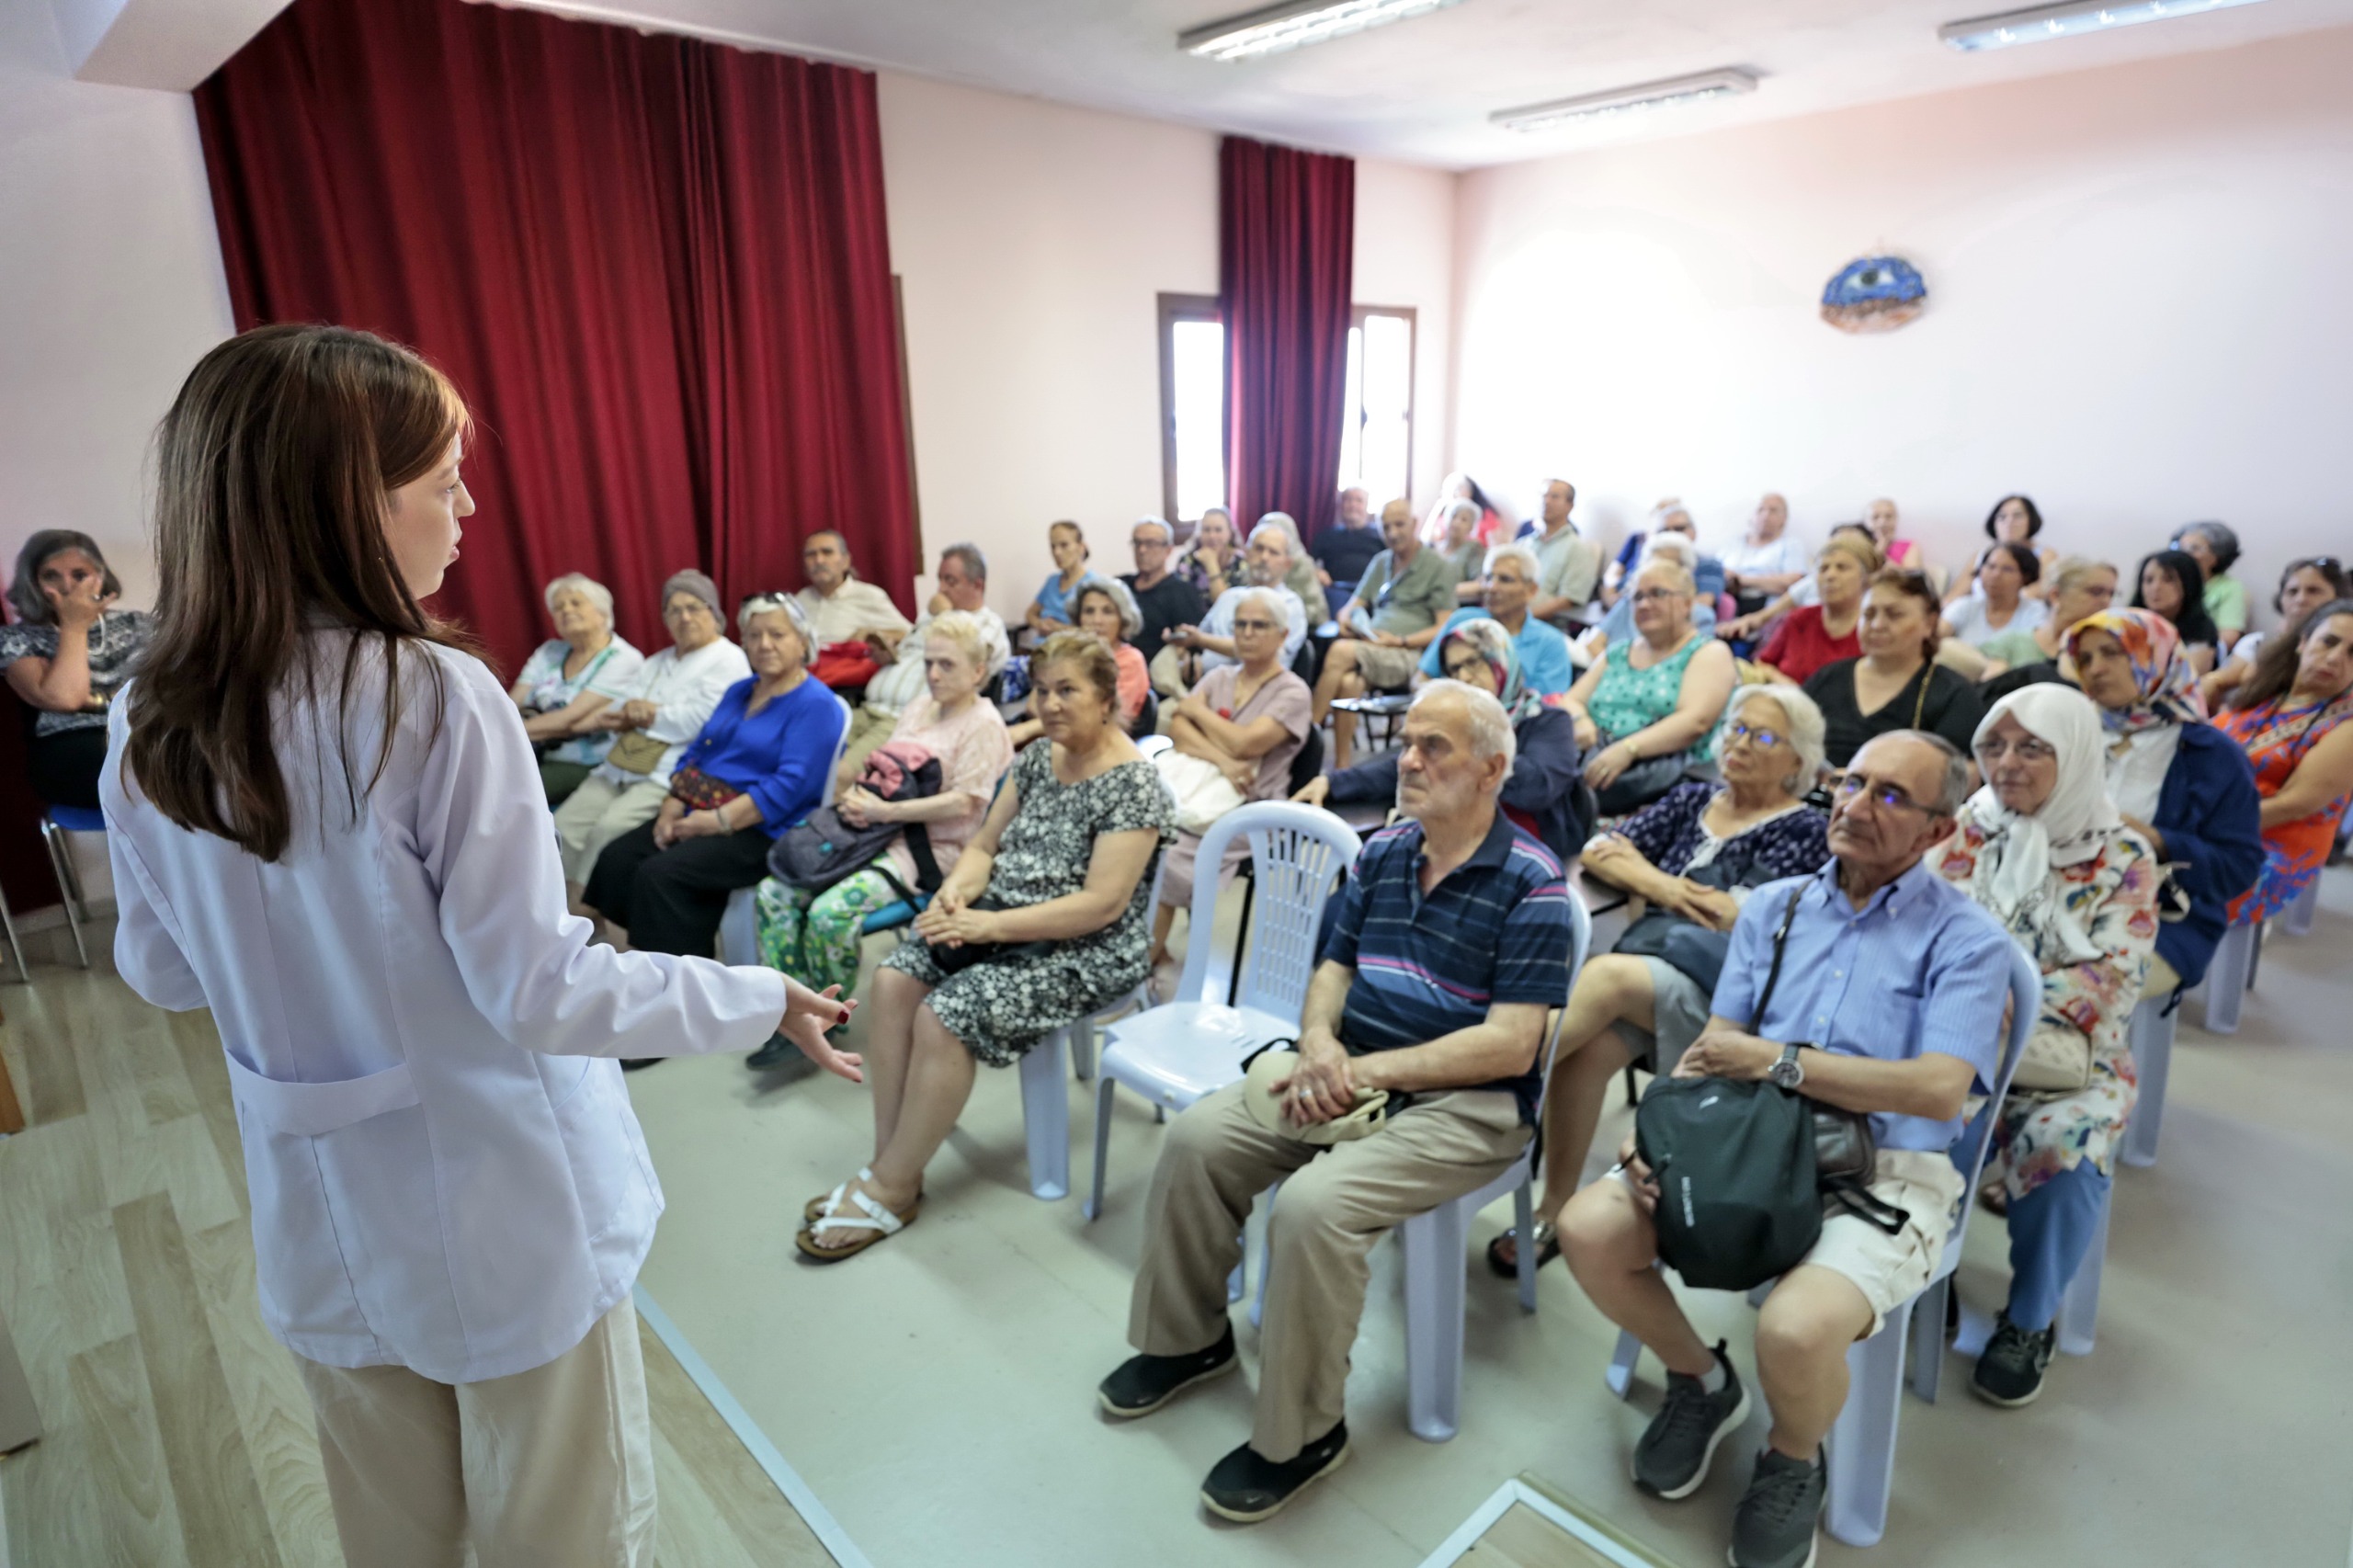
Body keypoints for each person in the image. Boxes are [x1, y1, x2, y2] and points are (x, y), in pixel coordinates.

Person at [103, 324, 857, 1568]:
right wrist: (750, 994)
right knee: (560, 1531)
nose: (467, 511)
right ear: (346, 499)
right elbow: (536, 987)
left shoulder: (148, 710)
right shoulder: (429, 695)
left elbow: (163, 969)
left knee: (394, 1531)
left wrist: (288, 954)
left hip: (315, 1201)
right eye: (443, 482)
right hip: (499, 1198)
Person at [1104, 682, 1574, 1524]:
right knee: (1199, 1140)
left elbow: (1511, 1046)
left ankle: (1305, 1434)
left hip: (1469, 1106)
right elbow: (1334, 968)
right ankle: (1189, 1341)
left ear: (1492, 770)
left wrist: (1364, 1071)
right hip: (1349, 1067)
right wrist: (1320, 1041)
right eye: (1408, 743)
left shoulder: (1530, 883)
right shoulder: (1386, 851)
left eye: (1434, 748)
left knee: (1314, 1209)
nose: (1409, 761)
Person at [1559, 730, 2012, 1568]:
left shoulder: (1967, 941)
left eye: (1890, 796)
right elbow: (1715, 1049)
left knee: (1796, 1331)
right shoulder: (1777, 907)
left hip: (1886, 1169)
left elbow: (1938, 1091)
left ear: (1939, 830)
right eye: (1851, 783)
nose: (1855, 806)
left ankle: (1792, 1456)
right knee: (1589, 1229)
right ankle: (1701, 1380)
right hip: (1749, 1138)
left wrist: (1782, 1062)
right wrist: (1656, 1133)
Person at [801, 631, 1175, 1261]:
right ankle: (890, 1160)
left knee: (945, 1015)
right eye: (1042, 690)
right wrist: (958, 893)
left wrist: (986, 927)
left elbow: (1101, 905)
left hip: (1086, 949)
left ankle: (892, 1187)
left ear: (1108, 699)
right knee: (894, 981)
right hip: (1001, 915)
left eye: (1068, 691)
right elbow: (982, 846)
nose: (1050, 705)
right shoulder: (1039, 758)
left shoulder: (1134, 785)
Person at [1488, 687, 1831, 1275]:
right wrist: (1667, 887)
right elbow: (1601, 848)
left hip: (1732, 1002)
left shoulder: (1805, 830)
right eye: (1735, 727)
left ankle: (1477, 1070)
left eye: (1762, 736)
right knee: (1588, 1049)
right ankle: (1554, 1207)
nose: (1739, 742)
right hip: (1653, 974)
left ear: (1797, 760)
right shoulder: (1694, 799)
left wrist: (1649, 877)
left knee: (1608, 977)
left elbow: (1738, 918)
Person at [1932, 687, 2158, 1405]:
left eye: (2032, 748)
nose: (2006, 764)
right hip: (1959, 1041)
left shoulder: (2121, 854)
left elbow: (2110, 984)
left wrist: (2002, 995)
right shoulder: (1964, 829)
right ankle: (1924, 1270)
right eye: (1993, 746)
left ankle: (2029, 1320)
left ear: (2077, 754)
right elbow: (1918, 934)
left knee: (2065, 1144)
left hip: (2069, 1057)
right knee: (1925, 1120)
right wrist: (1974, 1001)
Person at [582, 596, 847, 1055]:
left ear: (803, 641)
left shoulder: (816, 705)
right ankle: (639, 989)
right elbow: (695, 753)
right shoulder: (740, 690)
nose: (764, 644)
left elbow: (788, 787)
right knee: (617, 858)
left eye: (778, 634)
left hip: (763, 830)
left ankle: (679, 1014)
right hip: (698, 809)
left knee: (661, 876)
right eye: (755, 635)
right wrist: (672, 805)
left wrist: (715, 822)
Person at [754, 612, 1012, 1045]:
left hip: (931, 851)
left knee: (829, 914)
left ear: (978, 672)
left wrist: (885, 813)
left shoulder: (984, 724)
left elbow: (965, 802)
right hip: (874, 834)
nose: (933, 674)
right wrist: (860, 800)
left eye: (947, 665)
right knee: (773, 894)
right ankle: (792, 1008)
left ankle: (825, 1015)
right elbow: (885, 768)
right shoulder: (919, 707)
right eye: (928, 663)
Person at [2070, 610, 2264, 998]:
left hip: (2163, 915)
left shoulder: (2213, 755)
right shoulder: (2071, 730)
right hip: (2052, 894)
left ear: (2157, 658)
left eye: (2112, 653)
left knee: (2063, 997)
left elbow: (2239, 868)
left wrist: (2158, 841)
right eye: (2085, 659)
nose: (2096, 669)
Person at [1300, 616, 1588, 860]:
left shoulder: (1547, 720)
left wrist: (1468, 746)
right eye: (1454, 669)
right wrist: (1333, 782)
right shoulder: (1455, 722)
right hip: (1452, 835)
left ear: (1500, 660)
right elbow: (1405, 764)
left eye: (1474, 663)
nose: (1464, 677)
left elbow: (1537, 788)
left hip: (1524, 846)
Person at [551, 571, 751, 901]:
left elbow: (702, 721)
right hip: (619, 765)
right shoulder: (658, 661)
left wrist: (649, 713)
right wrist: (636, 712)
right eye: (674, 610)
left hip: (665, 774)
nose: (684, 617)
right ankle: (558, 905)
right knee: (564, 825)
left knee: (607, 830)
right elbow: (622, 706)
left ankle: (586, 910)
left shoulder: (729, 659)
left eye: (693, 607)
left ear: (713, 612)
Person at [1150, 589, 1313, 963]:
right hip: (1199, 791)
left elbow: (1246, 744)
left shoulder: (1293, 692)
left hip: (1252, 809)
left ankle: (1146, 961)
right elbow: (1178, 729)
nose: (1247, 633)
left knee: (1167, 855)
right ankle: (1150, 953)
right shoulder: (1220, 676)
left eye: (1259, 625)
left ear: (1282, 635)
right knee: (1137, 838)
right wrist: (1221, 759)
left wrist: (1198, 712)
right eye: (1240, 625)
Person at [1562, 559, 1736, 814]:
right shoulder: (1618, 652)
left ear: (1688, 603)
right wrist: (1581, 722)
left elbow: (1695, 721)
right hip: (1593, 762)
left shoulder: (1709, 653)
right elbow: (1571, 700)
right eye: (1637, 597)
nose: (1644, 604)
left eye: (1658, 594)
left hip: (1658, 787)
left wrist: (1628, 749)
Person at [2219, 598, 2353, 922]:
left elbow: (2293, 806)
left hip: (2269, 845)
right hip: (2214, 818)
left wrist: (2198, 825)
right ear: (2303, 641)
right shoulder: (2267, 693)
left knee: (2145, 874)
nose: (2335, 658)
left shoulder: (2347, 726)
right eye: (2329, 642)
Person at [0, 529, 154, 810]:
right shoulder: (17, 639)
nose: (67, 586)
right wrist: (74, 626)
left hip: (141, 733)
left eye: (79, 575)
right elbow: (66, 699)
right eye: (51, 576)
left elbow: (162, 692)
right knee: (136, 767)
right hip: (72, 747)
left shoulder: (138, 625)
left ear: (100, 577)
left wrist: (99, 703)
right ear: (32, 582)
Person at [837, 542, 1011, 787]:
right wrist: (888, 655)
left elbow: (974, 659)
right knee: (809, 752)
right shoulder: (928, 618)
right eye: (940, 579)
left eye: (950, 581)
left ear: (977, 585)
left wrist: (946, 615)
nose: (941, 589)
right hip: (868, 707)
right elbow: (910, 654)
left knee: (840, 774)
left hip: (904, 719)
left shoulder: (989, 625)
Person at [1314, 497, 1461, 767]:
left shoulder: (1439, 566)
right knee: (1349, 683)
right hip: (1373, 646)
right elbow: (1350, 607)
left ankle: (1306, 737)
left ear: (1414, 524)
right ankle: (1342, 766)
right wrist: (1347, 621)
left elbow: (1445, 627)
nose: (1392, 533)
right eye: (1386, 526)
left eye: (1399, 525)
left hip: (1410, 654)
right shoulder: (1381, 562)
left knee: (1339, 651)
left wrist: (1400, 641)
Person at [1803, 569, 1984, 768]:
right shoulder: (1827, 678)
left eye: (1894, 615)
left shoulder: (1953, 694)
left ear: (1929, 623)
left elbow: (1964, 773)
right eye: (1868, 614)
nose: (1877, 625)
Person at [508, 574, 644, 807]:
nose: (566, 610)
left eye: (576, 603)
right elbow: (510, 704)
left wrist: (505, 732)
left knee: (510, 794)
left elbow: (568, 720)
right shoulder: (550, 651)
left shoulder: (623, 658)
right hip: (530, 751)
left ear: (602, 613)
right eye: (558, 607)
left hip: (586, 762)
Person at [1152, 522, 1311, 696]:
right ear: (1247, 554)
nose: (1264, 557)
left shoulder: (1289, 604)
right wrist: (1190, 654)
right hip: (1203, 686)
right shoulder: (1229, 597)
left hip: (1258, 693)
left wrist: (1201, 640)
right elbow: (1199, 638)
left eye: (1273, 552)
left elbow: (1260, 650)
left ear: (1287, 564)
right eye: (1259, 549)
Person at [1420, 541, 1577, 700]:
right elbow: (1421, 678)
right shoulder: (1463, 621)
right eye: (1488, 578)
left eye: (1505, 579)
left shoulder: (1549, 643)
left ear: (1531, 590)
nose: (1491, 587)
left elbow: (1547, 705)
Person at [1008, 577, 1150, 746]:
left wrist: (1027, 730)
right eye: (1089, 611)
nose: (1097, 620)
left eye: (1107, 611)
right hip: (1054, 740)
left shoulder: (1131, 660)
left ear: (1123, 619)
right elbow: (1033, 706)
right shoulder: (1069, 655)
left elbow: (1105, 719)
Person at [2200, 556, 2347, 710]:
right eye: (2292, 592)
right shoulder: (2257, 643)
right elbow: (2224, 678)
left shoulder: (2342, 651)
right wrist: (2212, 683)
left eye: (2313, 591)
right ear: (2281, 599)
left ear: (2338, 599)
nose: (2301, 599)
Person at [1756, 534, 1875, 685]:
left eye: (1842, 568)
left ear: (1865, 578)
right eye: (1823, 569)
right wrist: (1788, 687)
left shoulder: (1873, 628)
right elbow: (1763, 663)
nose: (1830, 575)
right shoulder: (1800, 618)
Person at [1979, 557, 2118, 677]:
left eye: (2110, 594)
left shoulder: (2107, 653)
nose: (2106, 602)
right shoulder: (2010, 642)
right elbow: (1991, 690)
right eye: (2096, 592)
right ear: (2055, 595)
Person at [1586, 534, 1720, 652]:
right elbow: (1594, 643)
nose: (1658, 574)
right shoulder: (1631, 602)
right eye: (1653, 566)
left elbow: (1696, 660)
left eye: (1668, 568)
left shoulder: (1700, 616)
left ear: (1687, 572)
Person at [797, 528, 910, 650]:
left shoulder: (868, 596)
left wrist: (871, 634)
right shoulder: (800, 600)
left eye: (827, 552)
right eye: (811, 555)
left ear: (846, 561)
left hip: (847, 661)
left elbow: (910, 634)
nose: (819, 560)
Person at [1123, 517, 1206, 670]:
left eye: (1150, 544)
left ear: (1168, 550)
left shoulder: (1182, 592)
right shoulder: (1121, 586)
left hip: (1156, 672)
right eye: (1137, 543)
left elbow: (1193, 644)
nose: (1142, 550)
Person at [2131, 549, 2222, 676]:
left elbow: (2187, 677)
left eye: (2168, 579)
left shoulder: (2200, 630)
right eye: (2149, 580)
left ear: (2188, 583)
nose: (2156, 587)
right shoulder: (2128, 623)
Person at [1944, 542, 2050, 649]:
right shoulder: (1964, 606)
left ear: (2025, 577)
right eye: (1991, 566)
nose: (1996, 575)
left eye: (2007, 569)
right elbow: (1939, 634)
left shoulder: (2035, 612)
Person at [1527, 478, 1602, 626]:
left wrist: (1522, 618)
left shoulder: (1579, 549)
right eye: (1543, 496)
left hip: (1542, 625)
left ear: (1570, 506)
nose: (1546, 501)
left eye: (1554, 497)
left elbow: (1568, 600)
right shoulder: (1524, 544)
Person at [1720, 493, 1809, 619]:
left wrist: (1742, 580)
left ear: (1784, 518)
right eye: (1761, 509)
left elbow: (1795, 583)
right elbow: (1715, 572)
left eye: (1773, 510)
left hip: (1767, 608)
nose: (1765, 515)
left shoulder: (1791, 545)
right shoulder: (1733, 543)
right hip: (1727, 601)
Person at [2172, 522, 2247, 648]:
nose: (2183, 554)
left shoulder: (2229, 588)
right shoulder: (2165, 582)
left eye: (2194, 548)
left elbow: (2228, 637)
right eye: (2180, 547)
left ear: (2217, 557)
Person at [1980, 494, 2058, 596]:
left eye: (2017, 516)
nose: (2009, 522)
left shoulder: (2046, 555)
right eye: (2002, 517)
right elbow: (1959, 595)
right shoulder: (1981, 556)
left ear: (2031, 520)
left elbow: (2041, 590)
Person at [1312, 485, 1384, 592]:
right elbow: (1307, 561)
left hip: (1373, 590)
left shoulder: (1381, 535)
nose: (1353, 505)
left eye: (1359, 500)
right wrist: (1316, 571)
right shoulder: (1327, 535)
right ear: (1341, 505)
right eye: (1348, 500)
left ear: (1366, 505)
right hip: (1336, 589)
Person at [1027, 520, 1092, 636]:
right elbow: (1030, 614)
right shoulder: (1052, 582)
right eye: (1053, 546)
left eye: (1064, 545)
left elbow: (1092, 630)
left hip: (1071, 645)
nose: (1057, 552)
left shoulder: (1092, 584)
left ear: (1081, 547)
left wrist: (1059, 628)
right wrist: (1040, 624)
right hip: (1042, 645)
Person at [1419, 470, 1503, 551]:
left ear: (1470, 491)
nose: (1453, 494)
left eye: (1457, 489)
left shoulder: (1485, 515)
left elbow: (1495, 547)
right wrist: (1438, 507)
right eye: (1448, 490)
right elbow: (1425, 541)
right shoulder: (1443, 517)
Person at [1175, 506, 1242, 607]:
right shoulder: (1187, 561)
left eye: (1218, 530)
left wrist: (1211, 565)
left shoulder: (1239, 562)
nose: (1212, 536)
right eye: (1206, 530)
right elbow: (1181, 602)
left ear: (1229, 533)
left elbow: (1226, 606)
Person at [1863, 496, 1924, 574]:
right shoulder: (1862, 546)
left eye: (1888, 516)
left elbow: (1912, 575)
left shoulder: (1909, 546)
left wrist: (1882, 555)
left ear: (1896, 519)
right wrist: (1880, 547)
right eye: (1875, 517)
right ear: (1867, 522)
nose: (1882, 522)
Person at [1437, 500, 1487, 588]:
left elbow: (1479, 583)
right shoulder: (1432, 547)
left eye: (1464, 520)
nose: (1457, 522)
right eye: (1454, 516)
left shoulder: (1473, 549)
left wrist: (1447, 592)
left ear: (1471, 527)